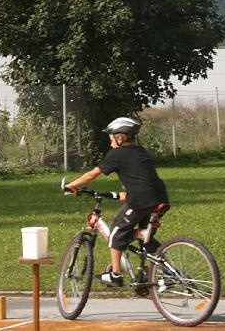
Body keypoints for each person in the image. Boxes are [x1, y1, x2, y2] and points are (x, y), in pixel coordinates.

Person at [65, 117, 169, 287]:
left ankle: (115, 274)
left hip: (140, 201)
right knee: (146, 237)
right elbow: (142, 180)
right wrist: (124, 195)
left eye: (111, 138)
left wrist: (71, 185)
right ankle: (168, 272)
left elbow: (92, 174)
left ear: (119, 137)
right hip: (159, 198)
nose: (110, 142)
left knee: (116, 231)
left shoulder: (117, 154)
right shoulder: (140, 151)